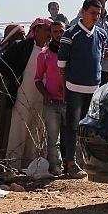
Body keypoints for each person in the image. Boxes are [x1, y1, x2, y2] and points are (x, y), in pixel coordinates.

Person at [58, 0, 108, 178]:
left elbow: (100, 58)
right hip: (74, 87)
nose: (96, 17)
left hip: (93, 87)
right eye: (92, 13)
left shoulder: (101, 35)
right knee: (72, 125)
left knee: (90, 127)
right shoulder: (71, 34)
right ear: (83, 12)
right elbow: (62, 65)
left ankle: (88, 161)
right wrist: (64, 87)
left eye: (98, 13)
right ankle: (70, 162)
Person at [5, 18, 52, 170]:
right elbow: (3, 62)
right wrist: (14, 79)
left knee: (37, 129)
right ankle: (13, 164)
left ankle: (30, 165)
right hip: (23, 92)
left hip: (43, 95)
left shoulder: (50, 49)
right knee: (18, 128)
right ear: (36, 30)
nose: (48, 33)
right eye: (46, 29)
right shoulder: (23, 47)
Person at [35, 21, 66, 175]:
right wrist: (46, 96)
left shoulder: (72, 52)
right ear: (51, 33)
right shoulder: (44, 54)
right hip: (52, 102)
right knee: (53, 139)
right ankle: (55, 167)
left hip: (69, 101)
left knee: (71, 135)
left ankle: (72, 165)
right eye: (55, 32)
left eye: (61, 31)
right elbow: (38, 79)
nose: (58, 34)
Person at [0, 23, 24, 161]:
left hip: (18, 94)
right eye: (19, 35)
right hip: (2, 92)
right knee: (2, 124)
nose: (22, 38)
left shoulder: (23, 52)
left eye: (23, 34)